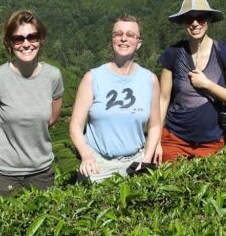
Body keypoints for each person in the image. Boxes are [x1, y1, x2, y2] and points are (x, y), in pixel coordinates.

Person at [0, 10, 64, 207]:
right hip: (3, 175)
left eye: (32, 37)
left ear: (41, 39)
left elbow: (52, 118)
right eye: (18, 39)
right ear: (9, 43)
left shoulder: (53, 76)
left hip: (41, 173)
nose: (26, 44)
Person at [69, 15, 162, 182]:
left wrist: (146, 159)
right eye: (118, 34)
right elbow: (76, 125)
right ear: (112, 39)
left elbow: (155, 125)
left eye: (130, 35)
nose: (124, 38)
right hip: (97, 165)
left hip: (135, 164)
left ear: (138, 43)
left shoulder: (150, 80)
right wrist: (86, 155)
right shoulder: (92, 78)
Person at [155, 0, 226, 162]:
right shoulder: (172, 53)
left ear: (208, 20)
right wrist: (156, 140)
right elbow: (163, 99)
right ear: (183, 23)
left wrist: (207, 84)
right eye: (189, 19)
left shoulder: (224, 52)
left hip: (211, 142)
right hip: (174, 140)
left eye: (200, 18)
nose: (195, 23)